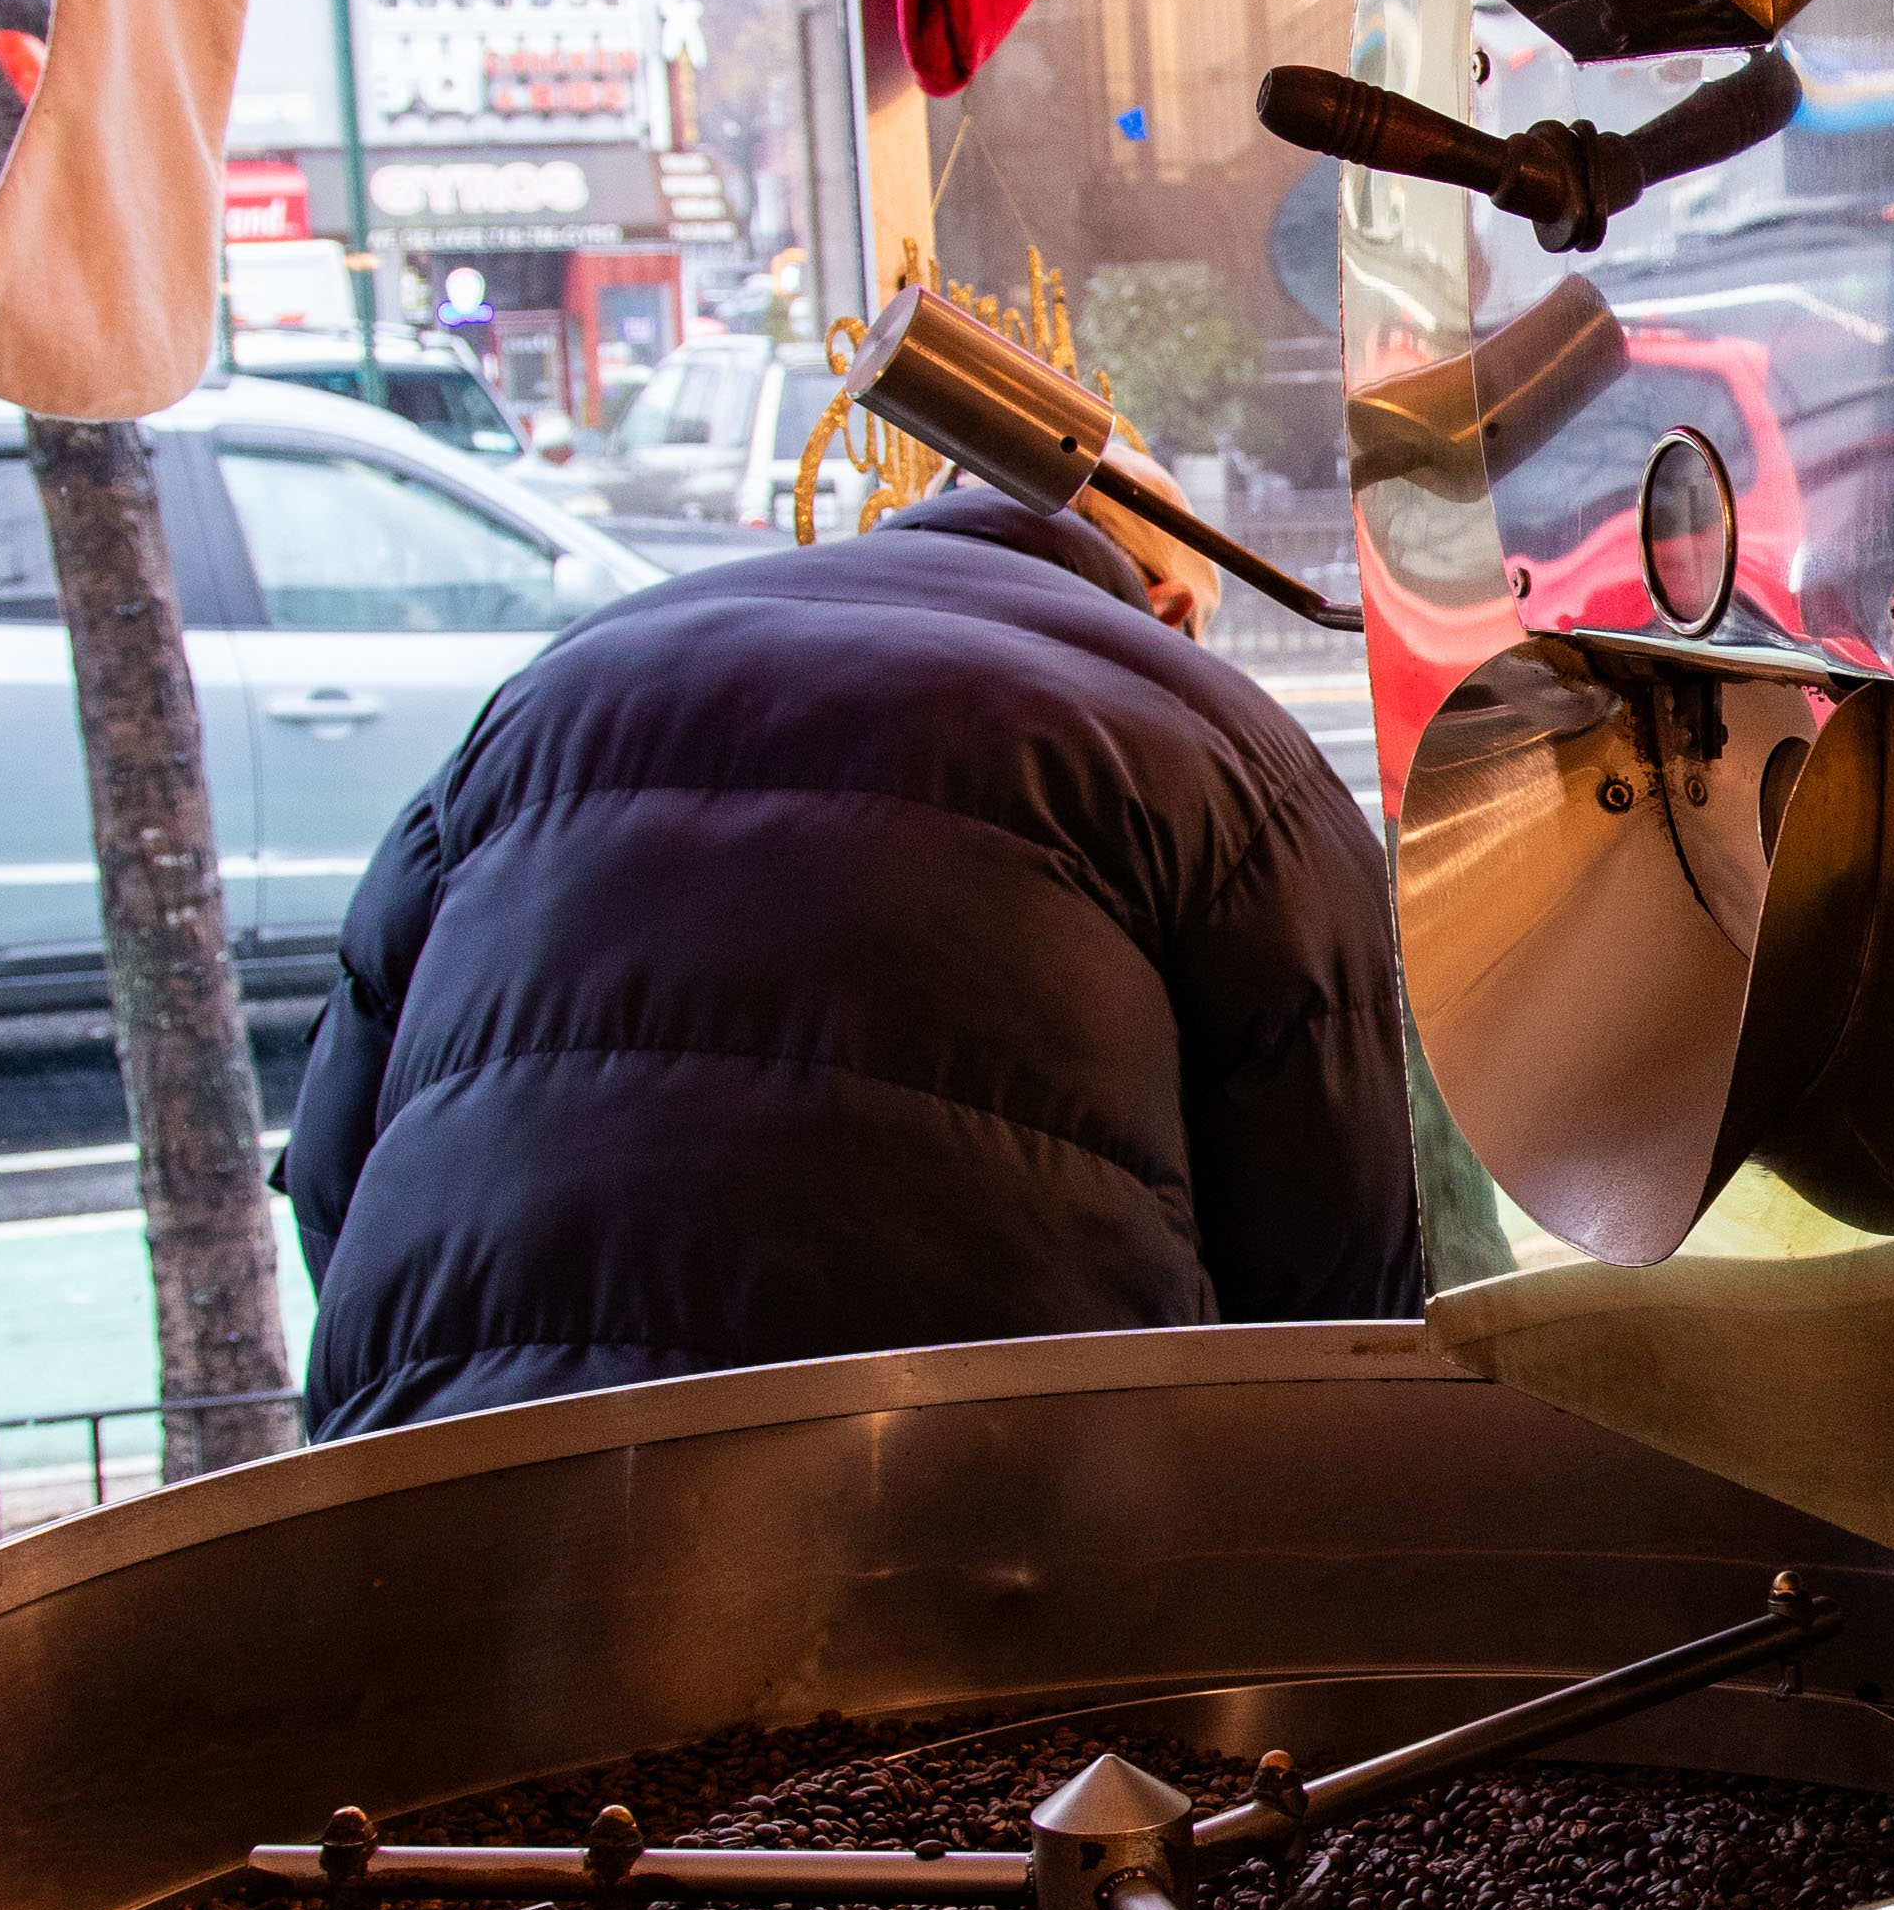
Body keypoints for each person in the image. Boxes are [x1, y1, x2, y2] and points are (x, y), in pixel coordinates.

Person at [280, 447, 1421, 1436]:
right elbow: (1355, 1232)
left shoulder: (561, 682)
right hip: (1007, 1500)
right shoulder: (1212, 740)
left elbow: (337, 1163)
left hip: (462, 1466)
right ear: (1170, 603)